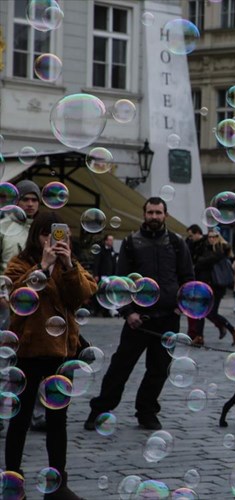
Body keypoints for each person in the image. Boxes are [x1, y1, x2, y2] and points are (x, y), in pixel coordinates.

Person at [4, 212, 97, 500]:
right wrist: (42, 266)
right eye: (47, 234)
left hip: (61, 352)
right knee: (20, 420)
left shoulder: (69, 263)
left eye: (58, 234)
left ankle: (58, 484)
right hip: (29, 351)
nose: (52, 240)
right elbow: (12, 294)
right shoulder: (21, 263)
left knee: (58, 420)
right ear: (36, 236)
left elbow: (83, 294)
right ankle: (12, 481)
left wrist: (67, 263)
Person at [86, 197, 194, 431]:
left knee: (158, 370)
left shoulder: (176, 242)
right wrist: (128, 312)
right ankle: (100, 409)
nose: (154, 216)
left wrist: (181, 306)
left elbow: (187, 278)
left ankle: (146, 412)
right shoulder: (132, 242)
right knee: (120, 367)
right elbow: (121, 281)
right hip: (138, 319)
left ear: (165, 214)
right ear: (144, 214)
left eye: (158, 212)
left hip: (167, 317)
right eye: (150, 212)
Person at [0, 180, 41, 329]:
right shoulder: (3, 227)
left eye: (34, 199)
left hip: (36, 296)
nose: (30, 204)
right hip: (6, 296)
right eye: (25, 199)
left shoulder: (43, 229)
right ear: (17, 201)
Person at [191, 228, 235, 346]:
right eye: (210, 237)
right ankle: (199, 337)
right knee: (200, 313)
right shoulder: (205, 247)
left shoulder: (221, 249)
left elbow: (203, 262)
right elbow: (197, 261)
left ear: (219, 237)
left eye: (214, 236)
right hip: (204, 284)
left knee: (212, 313)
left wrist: (201, 260)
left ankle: (233, 330)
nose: (212, 239)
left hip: (216, 287)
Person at [91, 234, 118, 317]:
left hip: (110, 276)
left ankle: (106, 311)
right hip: (102, 275)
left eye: (112, 240)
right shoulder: (101, 250)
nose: (111, 242)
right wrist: (95, 274)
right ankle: (97, 311)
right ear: (105, 241)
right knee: (100, 293)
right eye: (110, 240)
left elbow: (114, 264)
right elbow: (96, 263)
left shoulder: (112, 251)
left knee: (108, 293)